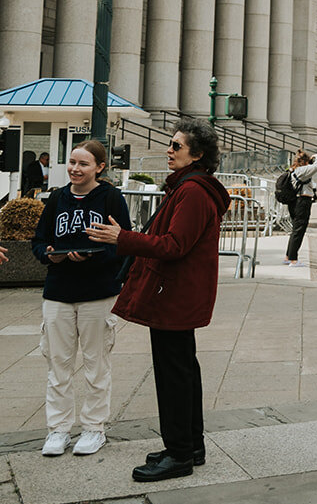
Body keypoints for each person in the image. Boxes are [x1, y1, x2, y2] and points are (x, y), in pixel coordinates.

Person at [86, 120, 230, 482]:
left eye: (176, 146)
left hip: (176, 297)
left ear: (196, 154)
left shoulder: (193, 192)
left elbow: (173, 245)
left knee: (174, 376)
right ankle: (189, 446)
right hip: (178, 295)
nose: (169, 150)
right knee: (181, 372)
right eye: (170, 144)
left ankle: (180, 453)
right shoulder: (188, 188)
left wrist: (123, 238)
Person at [31, 139, 132, 457]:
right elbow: (39, 240)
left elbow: (123, 244)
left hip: (97, 293)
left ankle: (93, 428)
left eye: (83, 163)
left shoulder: (111, 198)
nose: (75, 168)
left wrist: (91, 257)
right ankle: (58, 429)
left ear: (100, 167)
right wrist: (50, 256)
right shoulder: (58, 197)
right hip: (59, 291)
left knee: (95, 365)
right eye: (73, 162)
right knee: (57, 365)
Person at [285, 150, 317, 265]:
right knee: (299, 231)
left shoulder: (295, 170)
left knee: (295, 230)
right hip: (302, 202)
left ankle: (288, 256)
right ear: (305, 161)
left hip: (295, 202)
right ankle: (293, 260)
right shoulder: (302, 170)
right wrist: (316, 156)